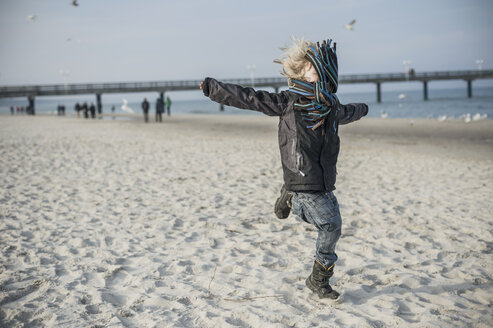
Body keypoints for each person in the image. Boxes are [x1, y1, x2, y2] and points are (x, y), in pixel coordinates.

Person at [200, 37, 368, 300]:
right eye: (313, 68)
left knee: (331, 223)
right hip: (301, 173)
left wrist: (362, 109)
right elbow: (250, 98)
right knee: (332, 226)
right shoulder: (289, 102)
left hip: (324, 178)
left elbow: (347, 112)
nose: (318, 72)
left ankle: (291, 197)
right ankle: (318, 279)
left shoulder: (330, 106)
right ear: (300, 72)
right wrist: (214, 89)